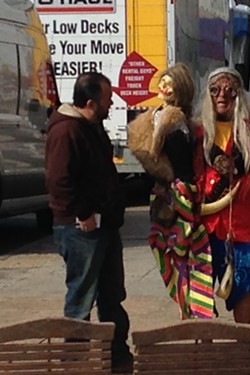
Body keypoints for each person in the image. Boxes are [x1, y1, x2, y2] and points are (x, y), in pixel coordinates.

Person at [45, 72, 133, 373]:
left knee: (112, 297)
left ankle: (117, 358)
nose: (112, 104)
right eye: (108, 99)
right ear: (92, 102)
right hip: (80, 229)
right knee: (81, 300)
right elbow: (59, 181)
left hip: (104, 225)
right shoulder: (67, 130)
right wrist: (83, 214)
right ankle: (75, 363)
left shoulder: (92, 127)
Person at [127, 63, 214, 320]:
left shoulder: (173, 120)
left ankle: (189, 308)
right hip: (167, 194)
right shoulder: (159, 115)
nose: (163, 87)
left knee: (181, 251)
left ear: (181, 88)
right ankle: (186, 306)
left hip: (179, 195)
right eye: (161, 82)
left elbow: (163, 159)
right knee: (171, 251)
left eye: (169, 83)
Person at [195, 67, 250, 324]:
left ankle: (244, 348)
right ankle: (204, 351)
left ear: (238, 95)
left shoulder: (246, 131)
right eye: (215, 91)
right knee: (201, 292)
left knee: (243, 290)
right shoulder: (198, 133)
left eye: (230, 91)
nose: (222, 96)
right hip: (204, 227)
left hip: (240, 228)